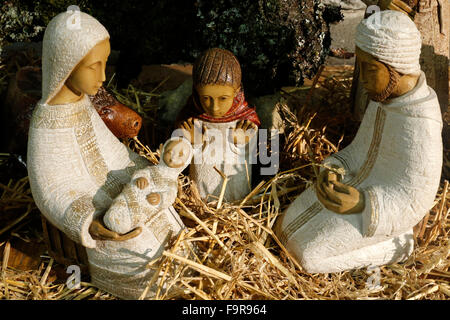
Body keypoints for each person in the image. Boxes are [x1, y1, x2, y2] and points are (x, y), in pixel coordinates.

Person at [27, 11, 188, 299]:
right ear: (66, 65)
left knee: (168, 216)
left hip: (123, 193)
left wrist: (151, 170)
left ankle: (188, 274)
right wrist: (88, 222)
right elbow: (48, 189)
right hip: (95, 210)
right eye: (94, 67)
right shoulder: (45, 124)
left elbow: (112, 152)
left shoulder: (84, 104)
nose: (103, 77)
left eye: (105, 64)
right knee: (136, 242)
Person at [275, 10, 443, 273]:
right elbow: (360, 151)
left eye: (370, 68)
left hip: (381, 213)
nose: (361, 77)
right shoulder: (383, 99)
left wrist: (363, 203)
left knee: (306, 257)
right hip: (352, 187)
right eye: (360, 65)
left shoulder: (423, 123)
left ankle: (399, 245)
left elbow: (415, 198)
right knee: (284, 228)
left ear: (397, 67)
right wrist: (334, 167)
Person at [176, 48, 260, 202]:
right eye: (206, 98)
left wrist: (242, 142)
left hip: (235, 190)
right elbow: (174, 156)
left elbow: (256, 155)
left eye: (223, 98)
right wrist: (190, 142)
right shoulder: (191, 117)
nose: (214, 107)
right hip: (201, 192)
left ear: (237, 91)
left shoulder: (244, 118)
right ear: (196, 92)